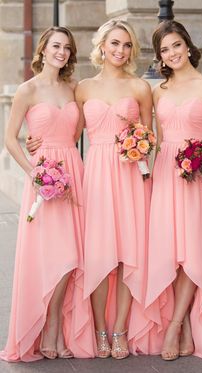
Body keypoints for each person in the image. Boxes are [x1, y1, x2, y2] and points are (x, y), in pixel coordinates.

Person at [0, 26, 95, 362]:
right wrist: (34, 172)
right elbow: (10, 138)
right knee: (49, 255)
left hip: (73, 171)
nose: (62, 52)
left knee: (72, 255)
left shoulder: (74, 88)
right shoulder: (27, 90)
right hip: (43, 179)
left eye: (67, 48)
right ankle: (44, 330)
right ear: (43, 49)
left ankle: (55, 326)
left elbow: (82, 130)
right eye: (56, 46)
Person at [145, 20, 202, 361]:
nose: (172, 53)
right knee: (171, 251)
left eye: (176, 45)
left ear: (188, 45)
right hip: (166, 173)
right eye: (164, 49)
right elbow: (156, 139)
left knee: (192, 251)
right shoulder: (158, 91)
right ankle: (182, 324)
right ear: (160, 56)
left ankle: (176, 325)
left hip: (197, 177)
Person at [75, 19, 153, 359]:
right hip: (96, 175)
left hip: (128, 175)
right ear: (102, 46)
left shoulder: (140, 88)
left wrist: (139, 144)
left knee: (125, 257)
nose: (120, 50)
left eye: (126, 45)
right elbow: (70, 132)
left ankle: (120, 330)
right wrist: (38, 143)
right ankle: (98, 330)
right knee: (97, 256)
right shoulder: (83, 88)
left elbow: (151, 139)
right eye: (115, 44)